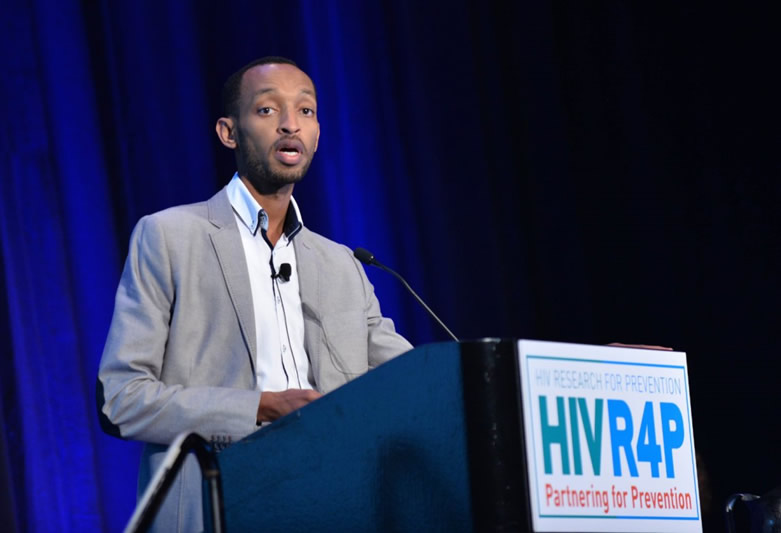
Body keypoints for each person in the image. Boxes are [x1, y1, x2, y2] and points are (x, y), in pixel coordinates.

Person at [97, 56, 412, 532]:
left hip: (333, 505)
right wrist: (262, 406)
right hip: (220, 502)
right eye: (267, 110)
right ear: (229, 132)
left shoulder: (343, 264)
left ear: (318, 134)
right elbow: (121, 399)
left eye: (306, 111)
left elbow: (412, 384)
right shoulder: (170, 237)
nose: (291, 124)